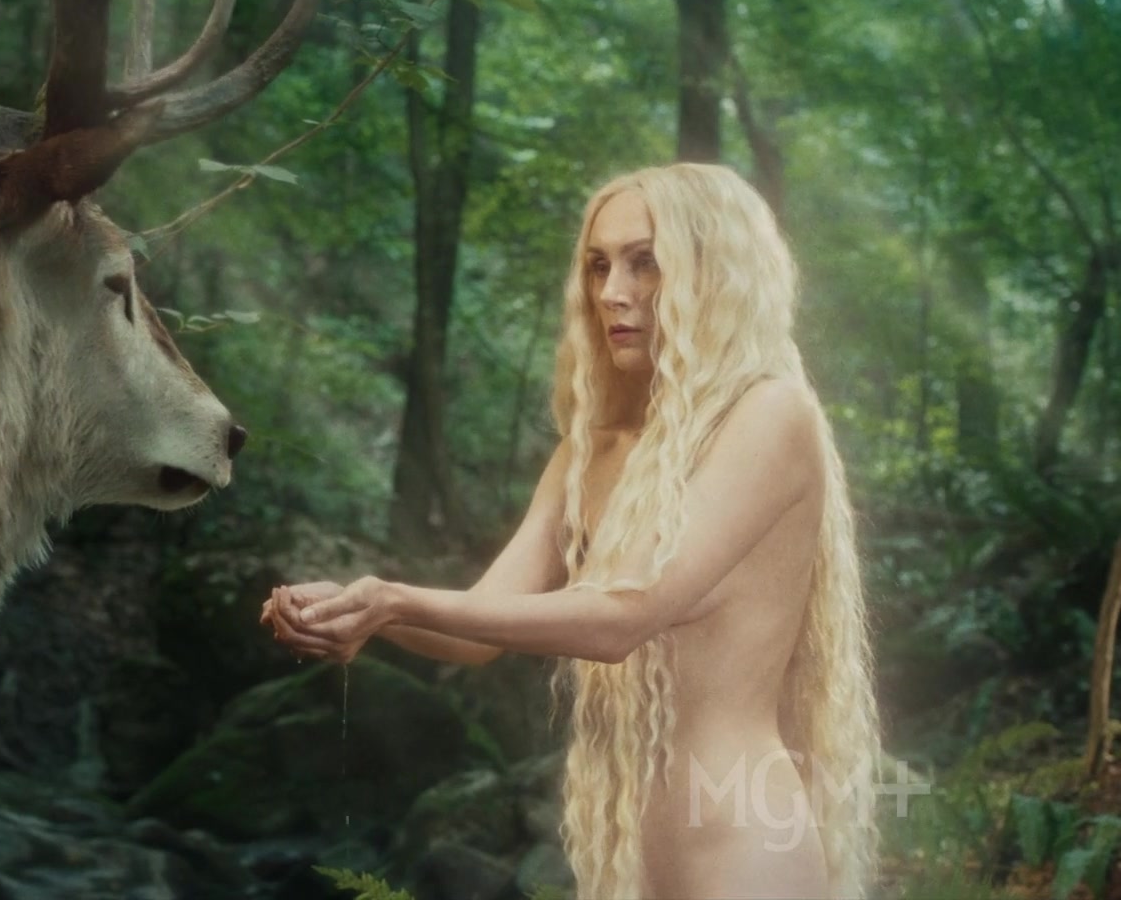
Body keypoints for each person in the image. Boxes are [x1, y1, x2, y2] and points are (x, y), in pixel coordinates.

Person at [261, 163, 882, 899]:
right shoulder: (588, 454)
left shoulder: (772, 415)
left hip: (746, 845)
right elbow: (477, 630)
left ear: (714, 273)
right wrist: (356, 612)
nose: (612, 291)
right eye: (598, 265)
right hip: (630, 860)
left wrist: (392, 600)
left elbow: (624, 617)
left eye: (645, 262)